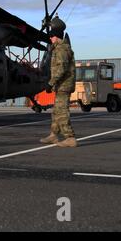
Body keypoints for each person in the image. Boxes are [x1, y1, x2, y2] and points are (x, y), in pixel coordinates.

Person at [40, 16, 77, 148]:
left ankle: (70, 138)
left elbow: (61, 69)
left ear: (56, 37)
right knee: (56, 111)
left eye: (52, 36)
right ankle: (54, 135)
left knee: (62, 112)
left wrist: (51, 83)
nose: (50, 39)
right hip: (60, 85)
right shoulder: (59, 48)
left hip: (63, 85)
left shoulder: (62, 49)